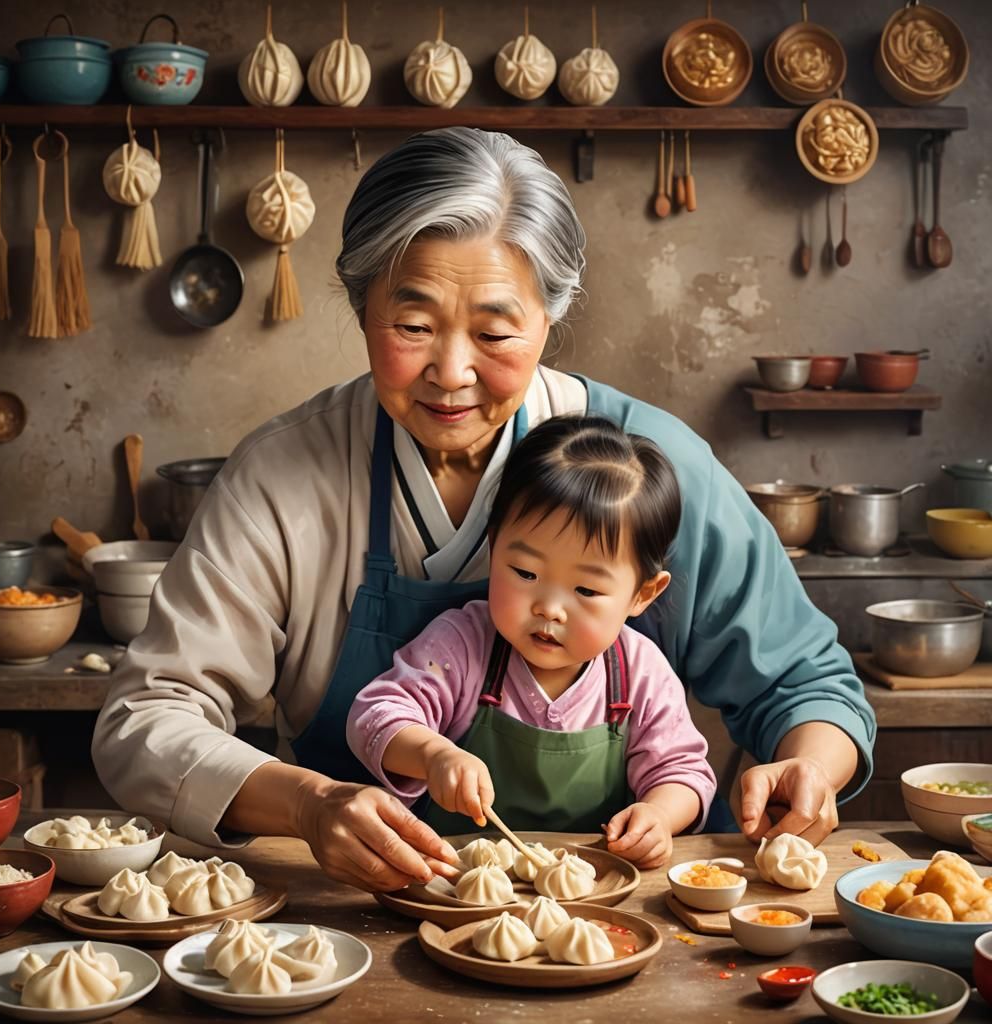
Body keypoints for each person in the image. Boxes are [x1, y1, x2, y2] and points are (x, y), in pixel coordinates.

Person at [92, 127, 876, 895]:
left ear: (550, 319)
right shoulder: (282, 476)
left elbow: (804, 681)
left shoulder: (642, 467)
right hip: (348, 911)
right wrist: (307, 801)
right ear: (362, 306)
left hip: (609, 917)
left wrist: (810, 762)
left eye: (497, 331)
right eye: (413, 326)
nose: (453, 371)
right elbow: (146, 722)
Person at [347, 415, 716, 869]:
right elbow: (375, 716)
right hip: (462, 887)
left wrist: (659, 815)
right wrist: (434, 754)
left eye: (586, 590)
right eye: (525, 573)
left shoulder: (640, 673)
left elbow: (682, 771)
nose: (549, 608)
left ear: (642, 594)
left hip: (592, 901)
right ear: (493, 547)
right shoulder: (462, 645)